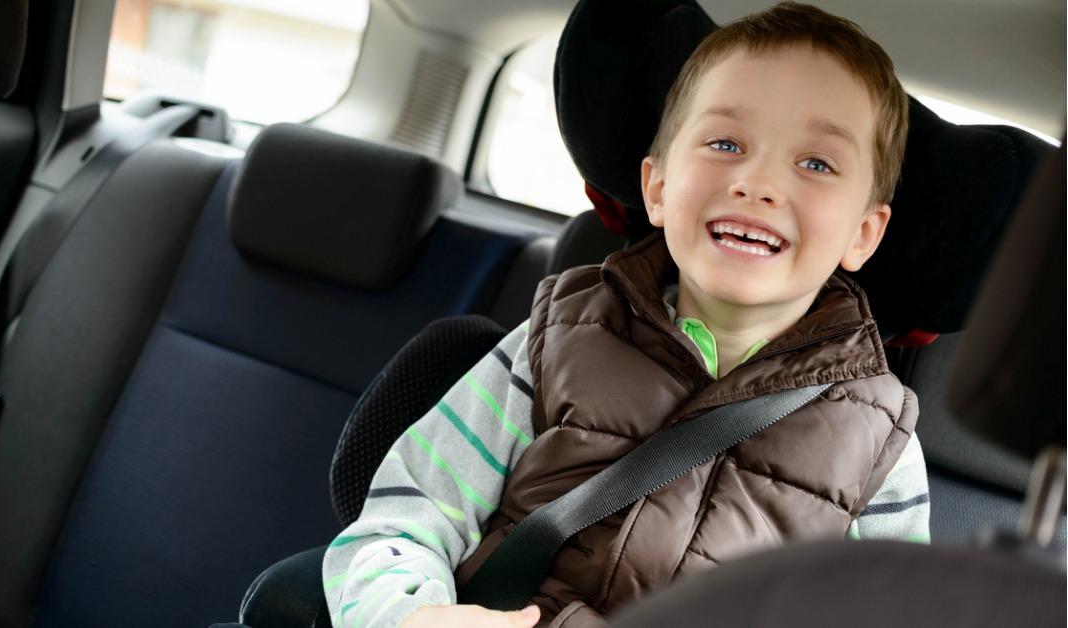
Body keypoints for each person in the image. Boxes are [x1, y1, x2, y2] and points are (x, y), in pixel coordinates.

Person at [323, 3, 929, 626]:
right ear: (658, 187)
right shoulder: (555, 340)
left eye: (817, 163)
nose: (758, 181)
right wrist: (412, 615)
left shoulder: (880, 439)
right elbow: (403, 521)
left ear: (863, 232)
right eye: (725, 143)